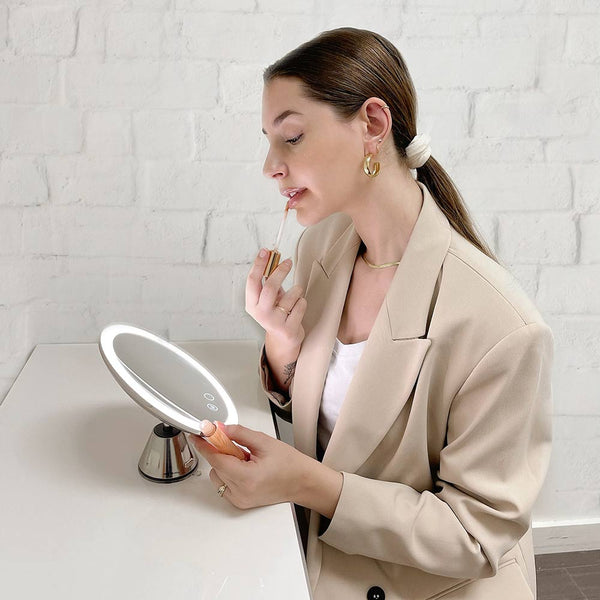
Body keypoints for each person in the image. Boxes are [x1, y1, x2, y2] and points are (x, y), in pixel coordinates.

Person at [192, 27, 554, 600]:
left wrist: (309, 484)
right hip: (314, 560)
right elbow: (336, 416)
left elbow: (475, 534)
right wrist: (281, 348)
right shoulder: (324, 248)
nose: (270, 165)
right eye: (268, 140)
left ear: (374, 125)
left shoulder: (502, 327)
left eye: (291, 137)